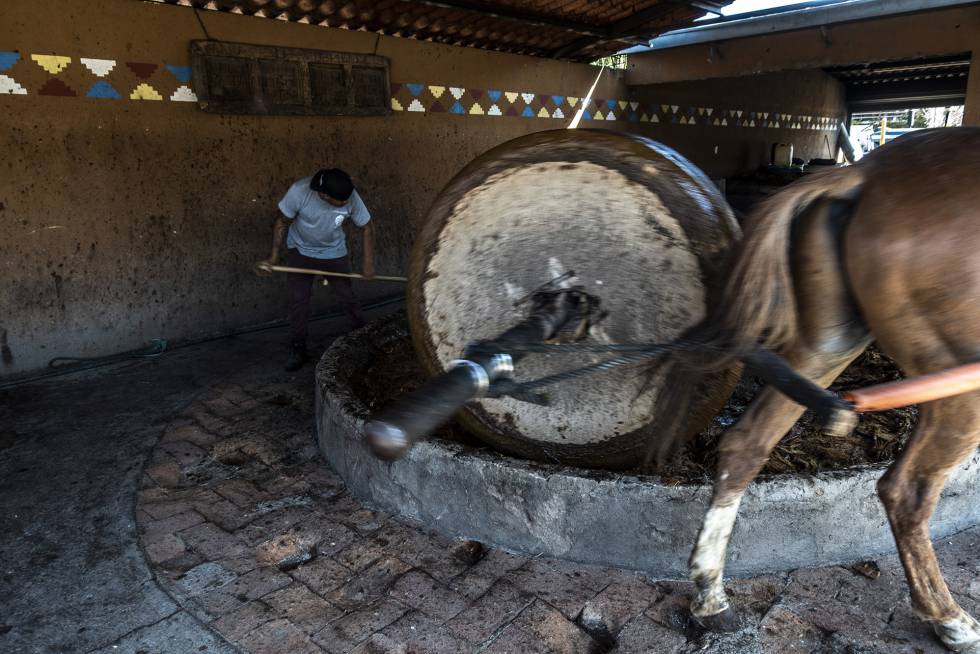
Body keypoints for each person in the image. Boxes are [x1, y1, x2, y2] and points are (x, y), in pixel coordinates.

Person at [258, 168, 375, 371]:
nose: (347, 203)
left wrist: (368, 263)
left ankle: (366, 340)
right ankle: (298, 348)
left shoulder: (348, 194)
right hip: (301, 251)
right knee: (299, 301)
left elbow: (367, 227)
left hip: (334, 252)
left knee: (347, 297)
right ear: (323, 195)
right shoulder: (299, 192)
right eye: (341, 202)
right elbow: (281, 222)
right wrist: (274, 256)